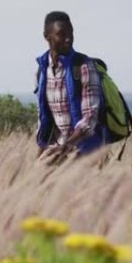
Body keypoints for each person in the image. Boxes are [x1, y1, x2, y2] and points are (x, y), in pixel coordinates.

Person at [35, 11, 105, 164]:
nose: (68, 39)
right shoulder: (42, 71)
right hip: (58, 151)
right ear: (47, 36)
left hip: (86, 154)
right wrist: (40, 155)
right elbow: (43, 118)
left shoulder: (84, 67)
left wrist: (67, 146)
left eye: (71, 33)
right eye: (61, 34)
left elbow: (89, 118)